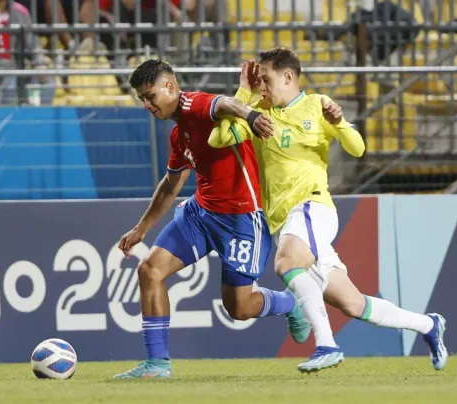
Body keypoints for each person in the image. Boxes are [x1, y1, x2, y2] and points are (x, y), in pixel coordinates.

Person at [209, 48, 448, 373]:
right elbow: (218, 138)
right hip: (287, 225)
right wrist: (245, 94)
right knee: (353, 304)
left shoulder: (317, 105)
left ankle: (327, 345)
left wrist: (339, 123)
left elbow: (358, 148)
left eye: (266, 79)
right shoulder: (259, 111)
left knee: (285, 262)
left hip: (312, 208)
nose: (263, 86)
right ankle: (428, 325)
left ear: (288, 77)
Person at [112, 59, 310, 379]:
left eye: (150, 96)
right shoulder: (179, 134)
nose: (147, 104)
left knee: (240, 309)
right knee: (150, 270)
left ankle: (289, 303)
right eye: (142, 99)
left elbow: (224, 104)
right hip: (201, 214)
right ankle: (157, 365)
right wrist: (141, 228)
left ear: (171, 87)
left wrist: (252, 115)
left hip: (243, 218)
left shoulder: (195, 105)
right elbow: (171, 184)